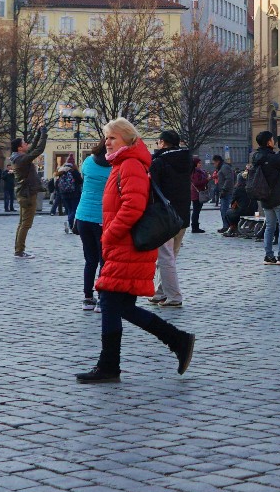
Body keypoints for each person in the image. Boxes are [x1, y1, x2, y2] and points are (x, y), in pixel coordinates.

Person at [79, 117, 194, 381]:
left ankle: (110, 366)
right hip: (124, 245)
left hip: (125, 245)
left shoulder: (129, 165)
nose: (107, 142)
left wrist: (109, 236)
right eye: (106, 137)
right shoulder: (123, 163)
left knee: (109, 301)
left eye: (112, 138)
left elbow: (132, 207)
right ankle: (178, 341)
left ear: (128, 140)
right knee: (123, 307)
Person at [147, 131, 193, 305]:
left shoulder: (159, 162)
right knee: (170, 256)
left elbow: (153, 189)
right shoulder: (187, 160)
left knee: (165, 257)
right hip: (182, 215)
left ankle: (174, 296)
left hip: (165, 216)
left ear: (163, 143)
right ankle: (161, 292)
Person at [248, 129, 280, 265]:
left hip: (265, 197)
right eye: (272, 139)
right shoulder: (271, 158)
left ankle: (268, 256)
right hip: (278, 197)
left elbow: (274, 161)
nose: (274, 141)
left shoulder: (257, 157)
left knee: (269, 226)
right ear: (268, 142)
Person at [74, 140, 109, 310]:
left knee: (90, 260)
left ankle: (88, 298)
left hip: (82, 216)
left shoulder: (87, 162)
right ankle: (102, 298)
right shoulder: (113, 167)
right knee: (104, 260)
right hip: (101, 218)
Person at [10, 139, 42, 257]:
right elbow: (38, 150)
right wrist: (43, 133)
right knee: (26, 224)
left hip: (24, 192)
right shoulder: (21, 159)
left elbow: (33, 147)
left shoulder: (17, 157)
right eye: (24, 144)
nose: (27, 145)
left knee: (22, 223)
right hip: (28, 194)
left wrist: (39, 134)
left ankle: (19, 249)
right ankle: (19, 250)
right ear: (19, 148)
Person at [189, 157, 211, 234]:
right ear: (195, 164)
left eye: (200, 163)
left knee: (197, 211)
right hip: (196, 194)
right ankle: (194, 228)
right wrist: (207, 180)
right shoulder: (195, 172)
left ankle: (196, 227)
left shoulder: (200, 172)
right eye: (199, 163)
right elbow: (196, 183)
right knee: (196, 211)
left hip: (199, 193)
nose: (200, 164)